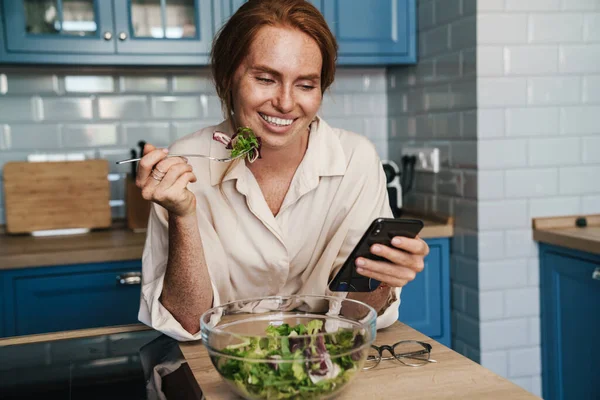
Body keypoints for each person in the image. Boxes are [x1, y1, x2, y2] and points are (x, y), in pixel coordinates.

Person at [136, 0, 429, 341]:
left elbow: (356, 314)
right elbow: (187, 322)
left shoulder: (355, 160)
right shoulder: (187, 163)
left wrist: (382, 277)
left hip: (325, 361)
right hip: (222, 365)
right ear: (230, 76)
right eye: (265, 79)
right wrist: (182, 214)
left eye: (306, 85)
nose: (286, 103)